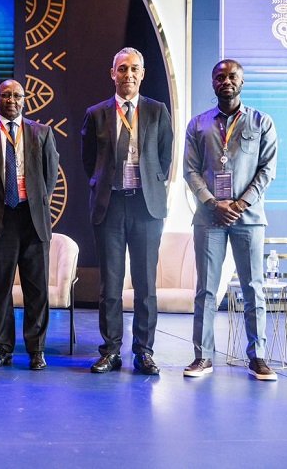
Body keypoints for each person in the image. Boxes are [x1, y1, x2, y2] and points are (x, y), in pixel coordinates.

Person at [183, 59, 278, 381]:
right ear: (212, 83)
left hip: (248, 217)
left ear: (242, 81)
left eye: (232, 76)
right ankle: (202, 357)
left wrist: (240, 203)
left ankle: (259, 357)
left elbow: (267, 170)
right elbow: (190, 170)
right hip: (209, 217)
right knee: (206, 289)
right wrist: (212, 202)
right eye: (220, 76)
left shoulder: (261, 122)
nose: (226, 81)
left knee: (253, 288)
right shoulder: (198, 124)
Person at [81, 47, 173, 375]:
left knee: (146, 285)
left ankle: (144, 352)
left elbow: (164, 158)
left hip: (146, 207)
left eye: (134, 69)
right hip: (110, 205)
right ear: (112, 73)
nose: (128, 75)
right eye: (122, 69)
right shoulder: (96, 114)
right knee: (111, 284)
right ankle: (110, 351)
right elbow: (89, 160)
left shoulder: (157, 111)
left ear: (143, 73)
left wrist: (147, 184)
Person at [0, 79, 59, 370]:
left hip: (32, 220)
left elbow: (50, 176)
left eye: (17, 95)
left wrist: (33, 201)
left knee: (37, 289)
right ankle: (3, 349)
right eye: (5, 95)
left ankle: (36, 350)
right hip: (0, 220)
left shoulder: (41, 133)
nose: (11, 100)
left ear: (24, 99)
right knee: (0, 287)